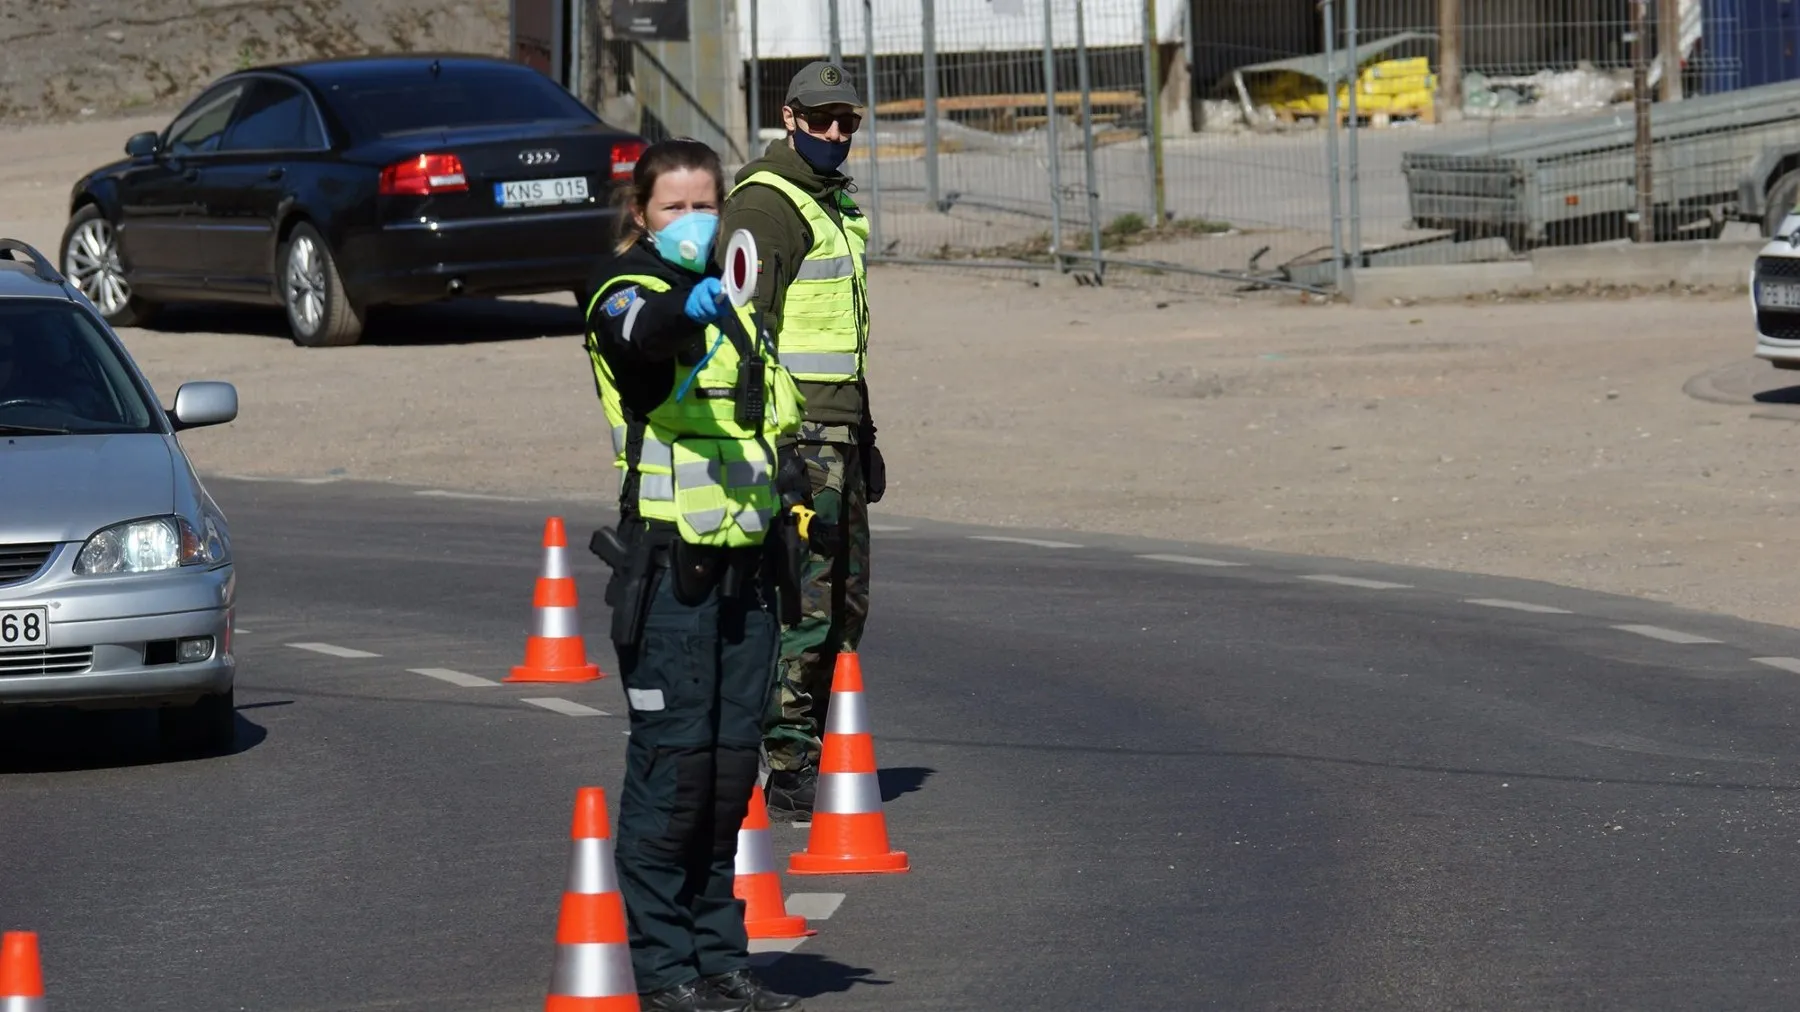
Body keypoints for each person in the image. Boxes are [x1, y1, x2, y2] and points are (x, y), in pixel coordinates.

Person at [582, 137, 810, 1012]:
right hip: (670, 574)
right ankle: (666, 970)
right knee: (673, 776)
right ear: (641, 213)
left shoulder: (742, 303)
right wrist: (696, 306)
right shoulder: (624, 291)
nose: (691, 221)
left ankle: (720, 959)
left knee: (726, 777)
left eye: (705, 205)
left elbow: (767, 420)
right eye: (673, 207)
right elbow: (643, 340)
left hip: (745, 572)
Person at [717, 60, 884, 820]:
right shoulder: (767, 204)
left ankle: (812, 743)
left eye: (847, 119)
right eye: (822, 119)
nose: (836, 132)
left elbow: (842, 334)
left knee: (847, 601)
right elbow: (740, 329)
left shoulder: (832, 203)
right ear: (789, 118)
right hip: (797, 434)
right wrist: (768, 447)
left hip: (841, 430)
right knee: (805, 604)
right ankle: (788, 762)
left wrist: (865, 430)